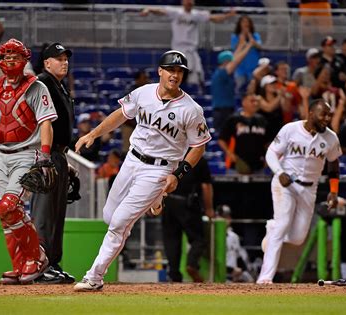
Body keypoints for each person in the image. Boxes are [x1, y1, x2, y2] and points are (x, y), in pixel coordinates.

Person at [73, 50, 211, 291]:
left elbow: (199, 146)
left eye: (179, 71)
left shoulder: (191, 109)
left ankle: (94, 277)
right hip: (131, 160)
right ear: (160, 71)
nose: (175, 75)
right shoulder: (143, 93)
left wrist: (177, 175)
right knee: (109, 216)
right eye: (171, 69)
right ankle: (156, 200)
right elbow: (121, 115)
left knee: (119, 223)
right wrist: (94, 134)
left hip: (159, 169)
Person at [0, 38, 58, 285]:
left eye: (15, 56)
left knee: (7, 207)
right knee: (7, 215)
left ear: (25, 59)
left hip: (27, 154)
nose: (10, 61)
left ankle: (37, 259)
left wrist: (44, 154)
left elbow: (46, 122)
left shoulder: (36, 86)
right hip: (2, 156)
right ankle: (20, 266)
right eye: (6, 56)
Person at [257, 99, 342, 284]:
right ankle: (265, 278)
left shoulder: (331, 138)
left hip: (310, 189)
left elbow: (334, 165)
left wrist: (333, 191)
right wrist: (279, 172)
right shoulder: (290, 129)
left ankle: (271, 229)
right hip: (286, 183)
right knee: (283, 224)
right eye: (323, 114)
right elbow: (271, 153)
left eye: (329, 115)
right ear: (310, 113)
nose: (327, 119)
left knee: (297, 238)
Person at [30, 42, 76, 284]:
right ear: (47, 63)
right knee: (44, 213)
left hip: (58, 154)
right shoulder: (42, 82)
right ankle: (39, 266)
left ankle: (52, 264)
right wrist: (44, 156)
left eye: (65, 58)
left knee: (57, 214)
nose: (64, 62)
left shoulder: (57, 86)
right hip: (44, 154)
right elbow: (37, 122)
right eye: (58, 58)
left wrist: (64, 160)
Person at [141, 0, 235, 86]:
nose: (189, 2)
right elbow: (161, 11)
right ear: (183, 2)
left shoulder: (196, 14)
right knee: (174, 77)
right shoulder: (176, 12)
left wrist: (228, 16)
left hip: (191, 51)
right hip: (177, 51)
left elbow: (213, 18)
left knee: (194, 79)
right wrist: (149, 9)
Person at [162, 155, 214, 283]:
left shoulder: (171, 154)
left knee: (171, 240)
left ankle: (174, 275)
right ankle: (192, 264)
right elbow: (206, 186)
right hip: (188, 204)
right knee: (199, 239)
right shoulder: (199, 159)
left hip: (168, 202)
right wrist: (209, 209)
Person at [218, 93, 268, 174]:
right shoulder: (233, 119)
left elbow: (267, 142)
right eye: (252, 101)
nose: (255, 103)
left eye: (256, 101)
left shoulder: (262, 120)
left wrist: (267, 157)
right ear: (243, 102)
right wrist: (229, 153)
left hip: (258, 166)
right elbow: (221, 140)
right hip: (237, 165)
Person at [211, 39, 254, 131]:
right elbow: (237, 61)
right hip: (223, 112)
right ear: (225, 62)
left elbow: (233, 59)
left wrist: (241, 45)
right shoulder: (222, 73)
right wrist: (248, 46)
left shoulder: (220, 73)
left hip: (224, 110)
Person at [217, 204, 255, 283]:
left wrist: (244, 272)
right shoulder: (213, 236)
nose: (226, 219)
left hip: (233, 276)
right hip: (219, 274)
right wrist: (230, 270)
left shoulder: (234, 236)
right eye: (223, 217)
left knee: (249, 279)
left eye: (227, 217)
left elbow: (239, 258)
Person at [230, 15, 262, 92]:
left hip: (253, 68)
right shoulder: (235, 36)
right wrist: (242, 37)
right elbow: (235, 49)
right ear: (239, 24)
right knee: (240, 89)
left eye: (247, 22)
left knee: (253, 89)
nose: (246, 24)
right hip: (240, 69)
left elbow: (259, 46)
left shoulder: (255, 36)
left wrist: (250, 37)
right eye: (243, 22)